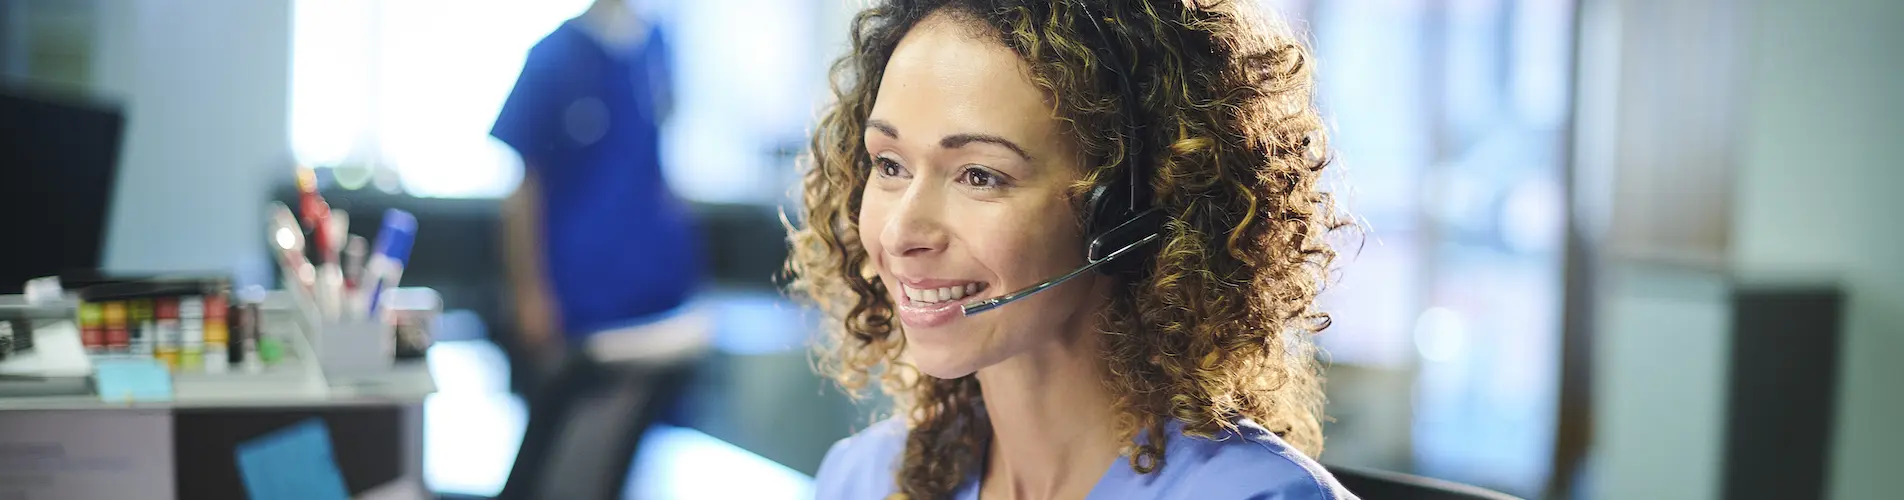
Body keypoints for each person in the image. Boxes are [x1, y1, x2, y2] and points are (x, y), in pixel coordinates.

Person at [785, 1, 1356, 499]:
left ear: (1131, 214)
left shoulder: (1258, 496)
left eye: (979, 175)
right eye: (890, 165)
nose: (900, 234)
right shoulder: (861, 478)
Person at [491, 1, 707, 498]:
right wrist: (529, 292)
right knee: (569, 450)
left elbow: (655, 160)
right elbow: (524, 190)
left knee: (633, 447)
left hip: (653, 287)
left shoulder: (656, 47)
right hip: (579, 293)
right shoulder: (552, 58)